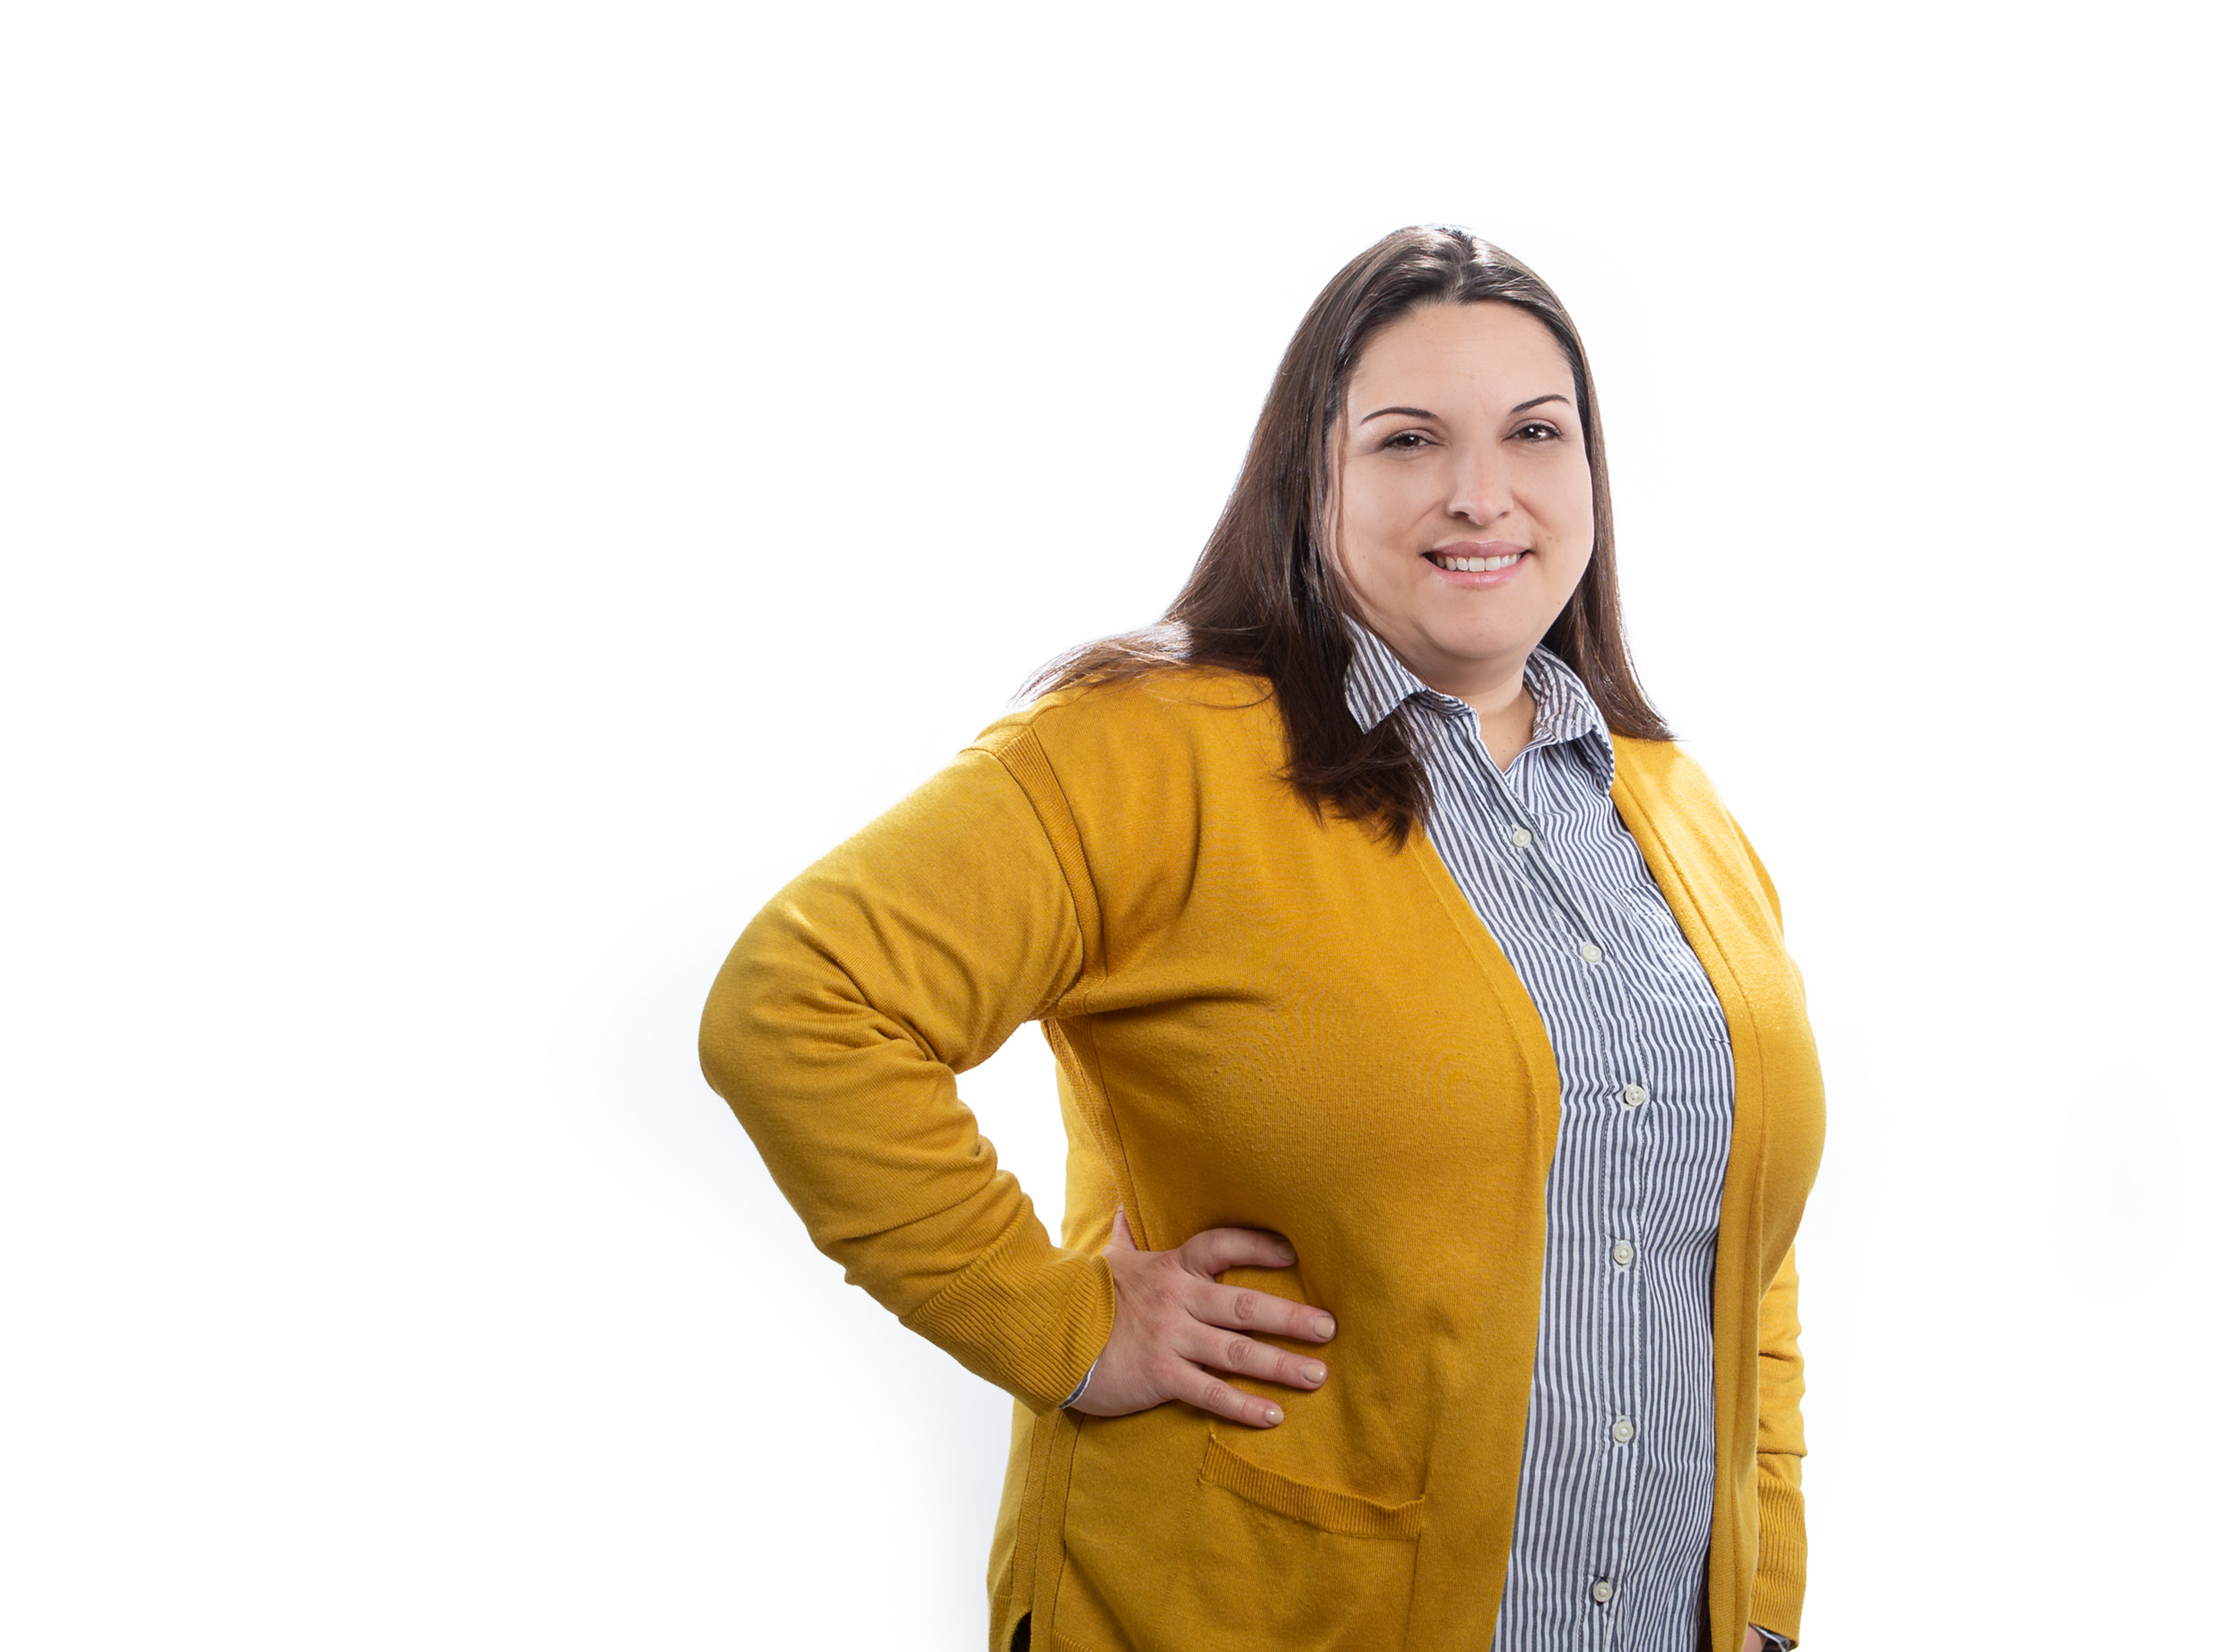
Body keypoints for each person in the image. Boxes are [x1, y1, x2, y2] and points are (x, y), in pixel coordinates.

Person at [699, 226, 1826, 1652]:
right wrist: (1058, 1323)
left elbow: (1732, 1252)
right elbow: (798, 1000)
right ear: (1314, 475)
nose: (1481, 492)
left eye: (1535, 432)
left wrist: (1760, 1599)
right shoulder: (1146, 752)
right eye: (1409, 440)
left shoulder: (1674, 807)